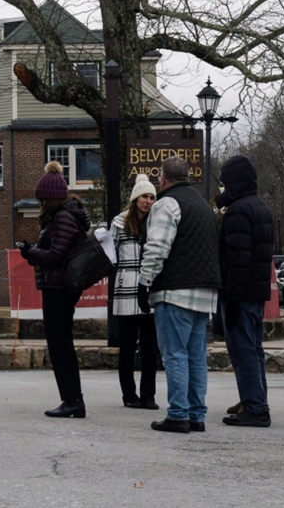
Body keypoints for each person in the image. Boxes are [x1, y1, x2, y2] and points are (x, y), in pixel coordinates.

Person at [139, 154, 221, 434]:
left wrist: (144, 281)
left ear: (162, 179)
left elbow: (157, 247)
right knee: (196, 355)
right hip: (205, 291)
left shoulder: (167, 204)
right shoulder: (203, 205)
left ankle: (178, 414)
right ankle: (196, 415)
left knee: (174, 354)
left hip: (175, 291)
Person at [18, 161, 90, 418]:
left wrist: (30, 253)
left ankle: (73, 400)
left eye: (41, 200)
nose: (39, 205)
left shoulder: (63, 217)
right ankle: (72, 399)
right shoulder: (67, 215)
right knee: (61, 343)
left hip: (58, 287)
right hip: (60, 286)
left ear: (49, 198)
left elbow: (56, 254)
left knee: (60, 345)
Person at [216, 155, 275, 428]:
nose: (222, 187)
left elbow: (238, 259)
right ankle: (253, 399)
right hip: (256, 290)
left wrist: (231, 296)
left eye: (225, 181)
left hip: (240, 293)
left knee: (243, 351)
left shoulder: (239, 211)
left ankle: (256, 406)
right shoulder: (260, 206)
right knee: (254, 349)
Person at [108, 175, 159, 410]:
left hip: (148, 290)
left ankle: (148, 395)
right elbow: (110, 255)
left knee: (150, 348)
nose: (148, 201)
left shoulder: (157, 222)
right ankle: (129, 394)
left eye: (151, 197)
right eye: (144, 197)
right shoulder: (118, 223)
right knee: (127, 347)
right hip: (125, 290)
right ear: (135, 198)